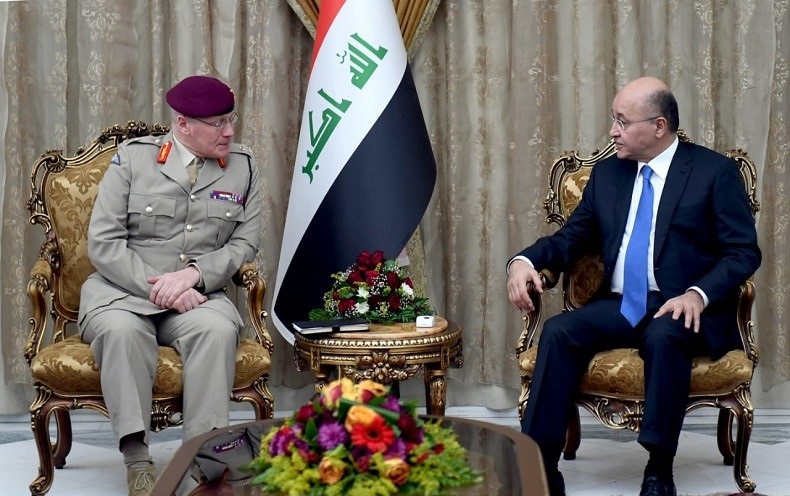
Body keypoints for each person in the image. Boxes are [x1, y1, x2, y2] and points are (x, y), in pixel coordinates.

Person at [506, 76, 760, 496]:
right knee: (558, 331)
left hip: (683, 307)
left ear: (658, 126)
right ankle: (541, 467)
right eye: (614, 120)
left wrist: (697, 294)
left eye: (622, 122)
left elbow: (743, 252)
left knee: (665, 334)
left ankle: (659, 470)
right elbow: (570, 239)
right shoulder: (609, 175)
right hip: (623, 304)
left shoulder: (714, 173)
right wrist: (524, 261)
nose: (613, 131)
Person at [78, 75, 262, 496]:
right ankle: (138, 462)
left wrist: (193, 276)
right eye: (217, 123)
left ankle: (204, 466)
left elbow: (244, 243)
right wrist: (162, 287)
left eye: (230, 120)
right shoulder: (134, 159)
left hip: (198, 293)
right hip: (122, 293)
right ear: (183, 124)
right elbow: (103, 243)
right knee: (122, 332)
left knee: (217, 330)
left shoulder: (244, 166)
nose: (229, 131)